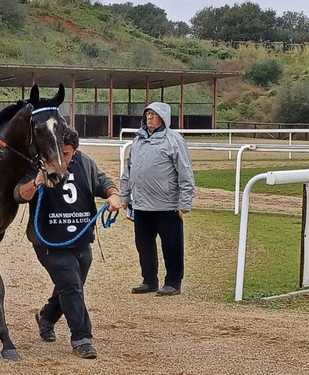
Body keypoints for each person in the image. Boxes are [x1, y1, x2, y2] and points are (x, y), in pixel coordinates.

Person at [14, 129, 121, 359]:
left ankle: (46, 317)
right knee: (72, 287)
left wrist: (113, 195)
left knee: (70, 288)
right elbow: (19, 195)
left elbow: (102, 182)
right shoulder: (37, 164)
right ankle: (82, 338)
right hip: (49, 241)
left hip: (81, 239)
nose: (61, 160)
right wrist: (36, 183)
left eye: (66, 154)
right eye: (57, 153)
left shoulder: (84, 162)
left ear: (75, 151)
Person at [119, 102, 195, 296]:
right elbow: (129, 169)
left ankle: (173, 283)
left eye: (154, 114)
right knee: (143, 245)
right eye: (148, 114)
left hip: (167, 205)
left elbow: (185, 171)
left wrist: (184, 202)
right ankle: (149, 280)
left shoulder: (174, 140)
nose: (150, 118)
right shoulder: (138, 140)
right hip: (141, 204)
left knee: (171, 246)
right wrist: (125, 196)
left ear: (164, 117)